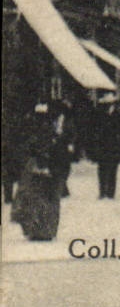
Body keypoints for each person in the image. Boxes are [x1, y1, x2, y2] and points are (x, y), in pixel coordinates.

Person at [10, 103, 69, 241]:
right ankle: (42, 230)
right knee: (44, 200)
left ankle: (38, 229)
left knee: (37, 199)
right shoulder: (51, 131)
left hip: (42, 169)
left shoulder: (39, 131)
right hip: (45, 169)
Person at [85, 91, 120, 200]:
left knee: (113, 169)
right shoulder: (99, 115)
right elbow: (94, 129)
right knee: (102, 168)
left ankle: (110, 192)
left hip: (114, 145)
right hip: (103, 145)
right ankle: (102, 191)